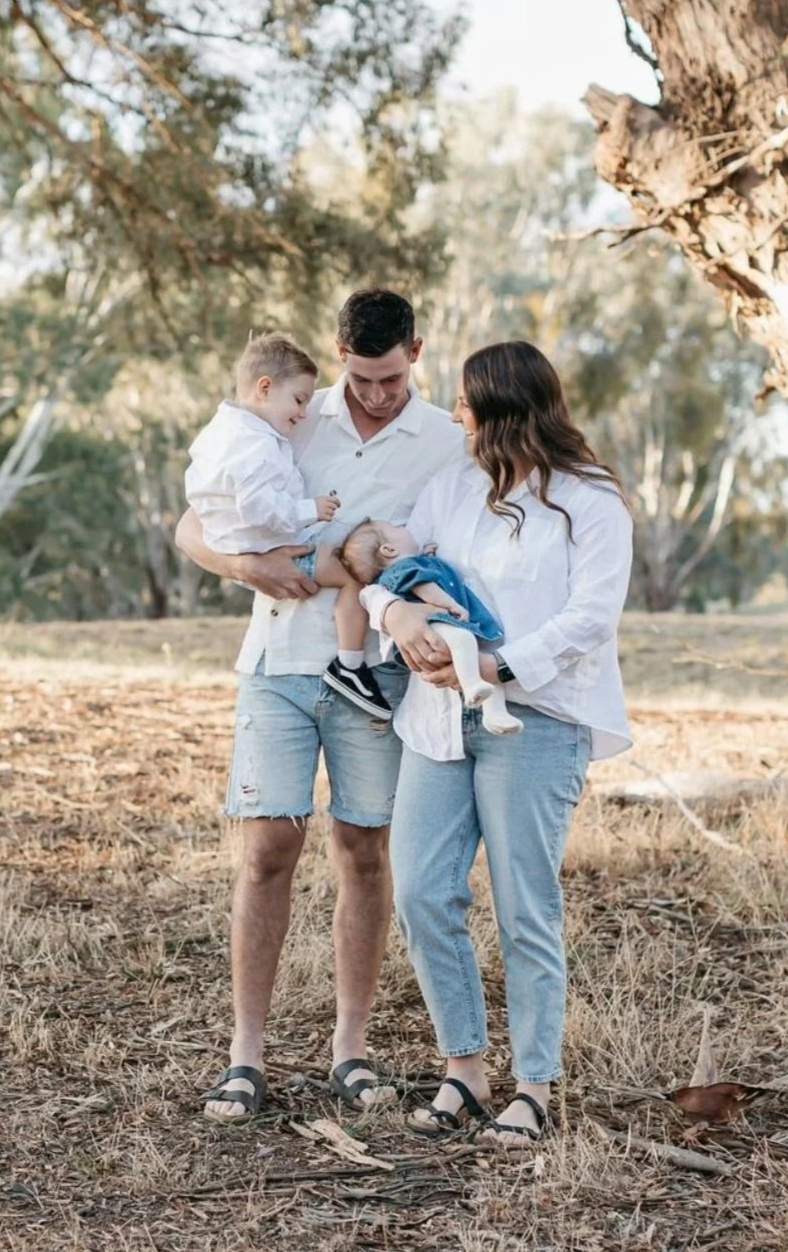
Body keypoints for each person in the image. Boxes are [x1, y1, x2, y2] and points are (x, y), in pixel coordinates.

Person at [174, 289, 463, 1120]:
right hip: (277, 661)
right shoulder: (288, 410)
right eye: (360, 376)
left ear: (416, 349)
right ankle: (245, 1054)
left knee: (363, 849)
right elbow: (194, 524)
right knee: (268, 847)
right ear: (338, 351)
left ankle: (351, 1047)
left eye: (391, 376)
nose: (374, 394)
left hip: (378, 674)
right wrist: (245, 568)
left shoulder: (444, 440)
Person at [360, 340, 633, 1147]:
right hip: (436, 723)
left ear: (507, 408)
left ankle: (534, 1084)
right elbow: (388, 565)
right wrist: (393, 615)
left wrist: (494, 662)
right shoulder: (451, 487)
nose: (455, 415)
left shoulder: (589, 501)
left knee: (524, 904)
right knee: (420, 891)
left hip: (537, 718)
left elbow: (591, 616)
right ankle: (464, 1069)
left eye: (467, 404)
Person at [185, 331, 392, 720]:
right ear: (264, 388)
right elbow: (258, 509)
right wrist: (309, 510)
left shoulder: (224, 431)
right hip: (271, 553)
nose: (302, 413)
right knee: (356, 571)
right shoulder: (256, 445)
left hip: (249, 547)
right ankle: (350, 666)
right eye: (299, 400)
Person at [336, 518, 522, 735]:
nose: (404, 528)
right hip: (434, 624)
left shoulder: (412, 565)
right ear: (388, 549)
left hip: (433, 629)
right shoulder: (404, 568)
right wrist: (452, 606)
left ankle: (493, 715)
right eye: (396, 528)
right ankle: (471, 685)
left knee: (485, 666)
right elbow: (426, 588)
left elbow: (431, 573)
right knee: (464, 641)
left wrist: (429, 555)